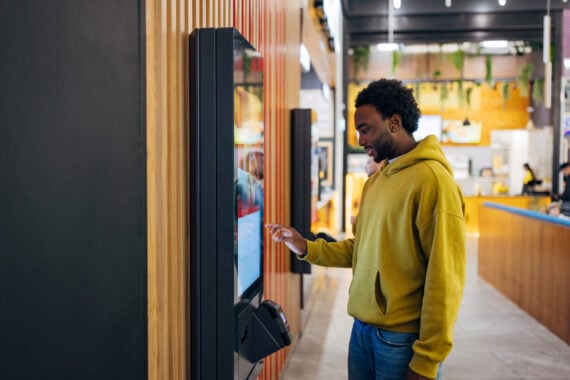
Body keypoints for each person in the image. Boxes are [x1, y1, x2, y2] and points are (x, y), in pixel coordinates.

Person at [267, 78, 466, 380]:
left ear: (395, 122)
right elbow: (360, 248)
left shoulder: (433, 182)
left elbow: (445, 278)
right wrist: (306, 247)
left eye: (366, 128)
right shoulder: (377, 179)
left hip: (401, 340)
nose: (360, 139)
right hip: (362, 331)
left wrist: (427, 359)